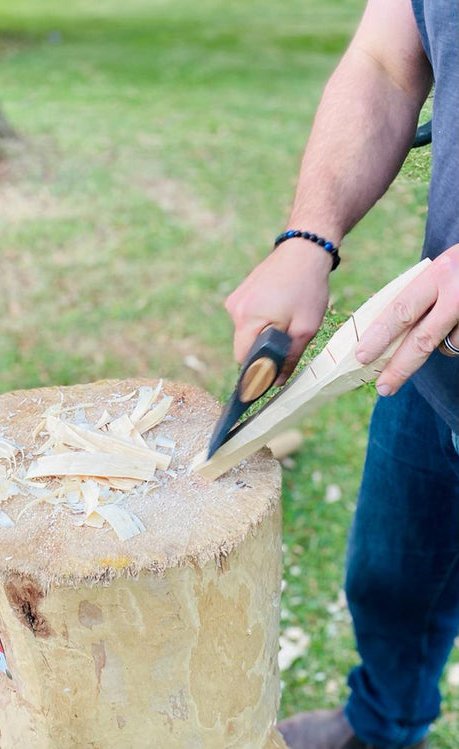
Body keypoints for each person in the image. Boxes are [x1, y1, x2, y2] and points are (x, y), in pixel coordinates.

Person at [226, 0, 459, 747]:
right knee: (392, 580)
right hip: (438, 363)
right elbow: (387, 62)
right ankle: (383, 722)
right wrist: (308, 236)